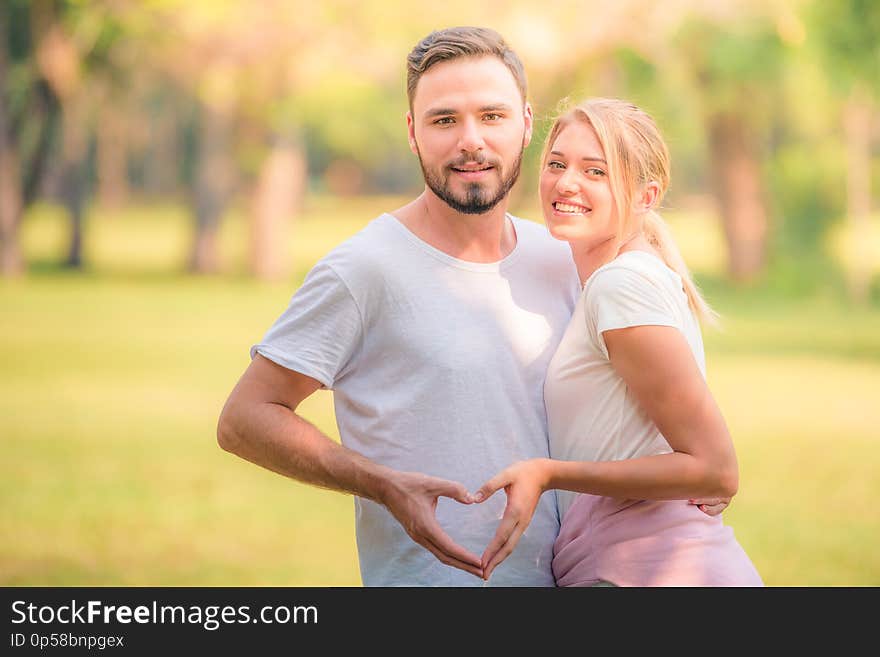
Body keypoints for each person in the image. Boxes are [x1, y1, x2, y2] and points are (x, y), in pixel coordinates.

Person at [217, 27, 727, 587]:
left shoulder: (560, 256)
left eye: (492, 116)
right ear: (413, 132)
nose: (470, 141)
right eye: (443, 120)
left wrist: (684, 479)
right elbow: (246, 418)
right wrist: (383, 483)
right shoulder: (363, 269)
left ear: (526, 124)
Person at [473, 97, 763, 586]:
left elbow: (715, 468)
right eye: (557, 164)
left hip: (651, 571)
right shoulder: (622, 279)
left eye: (596, 171)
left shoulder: (620, 286)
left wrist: (550, 472)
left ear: (646, 196)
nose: (566, 183)